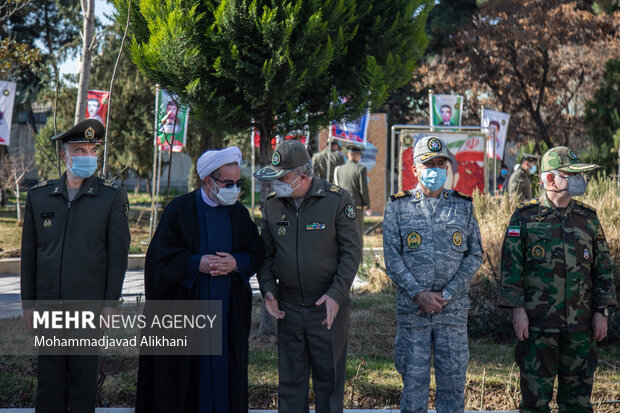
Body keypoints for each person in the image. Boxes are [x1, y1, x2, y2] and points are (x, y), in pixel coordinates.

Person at [136, 146, 264, 413]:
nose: (235, 189)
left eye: (238, 183)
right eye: (228, 183)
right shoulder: (180, 210)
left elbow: (257, 252)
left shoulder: (238, 214)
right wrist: (196, 263)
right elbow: (160, 259)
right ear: (208, 181)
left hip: (227, 320)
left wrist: (236, 262)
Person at [20, 118, 131, 412]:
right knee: (49, 385)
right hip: (48, 309)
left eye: (92, 150)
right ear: (64, 155)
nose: (86, 157)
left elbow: (118, 257)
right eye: (79, 150)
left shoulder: (111, 197)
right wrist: (28, 305)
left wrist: (109, 305)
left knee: (83, 386)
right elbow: (30, 256)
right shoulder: (39, 196)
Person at [499, 146, 616, 413]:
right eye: (570, 174)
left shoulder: (588, 218)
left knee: (577, 404)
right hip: (538, 327)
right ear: (549, 179)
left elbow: (603, 269)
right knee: (535, 404)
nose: (579, 180)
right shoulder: (525, 217)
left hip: (581, 328)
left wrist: (602, 312)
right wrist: (517, 311)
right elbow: (511, 268)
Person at [254, 139, 362, 413]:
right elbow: (265, 255)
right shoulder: (272, 205)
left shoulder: (338, 200)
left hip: (325, 307)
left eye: (283, 177)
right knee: (290, 385)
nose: (276, 183)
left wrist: (336, 295)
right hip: (288, 308)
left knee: (329, 385)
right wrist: (268, 290)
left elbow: (351, 254)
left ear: (302, 176)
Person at [383, 136, 483, 413]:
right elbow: (392, 258)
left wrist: (448, 294)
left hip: (452, 313)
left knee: (452, 387)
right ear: (414, 169)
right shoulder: (398, 206)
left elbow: (475, 254)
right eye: (429, 164)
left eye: (441, 164)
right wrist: (419, 293)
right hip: (414, 314)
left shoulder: (463, 206)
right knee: (414, 387)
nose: (436, 170)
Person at [334, 145, 371, 244]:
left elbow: (336, 188)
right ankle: (358, 258)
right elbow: (363, 189)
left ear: (348, 155)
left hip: (341, 207)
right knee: (357, 234)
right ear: (358, 156)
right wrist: (367, 205)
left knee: (344, 233)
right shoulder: (361, 169)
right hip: (356, 207)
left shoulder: (339, 169)